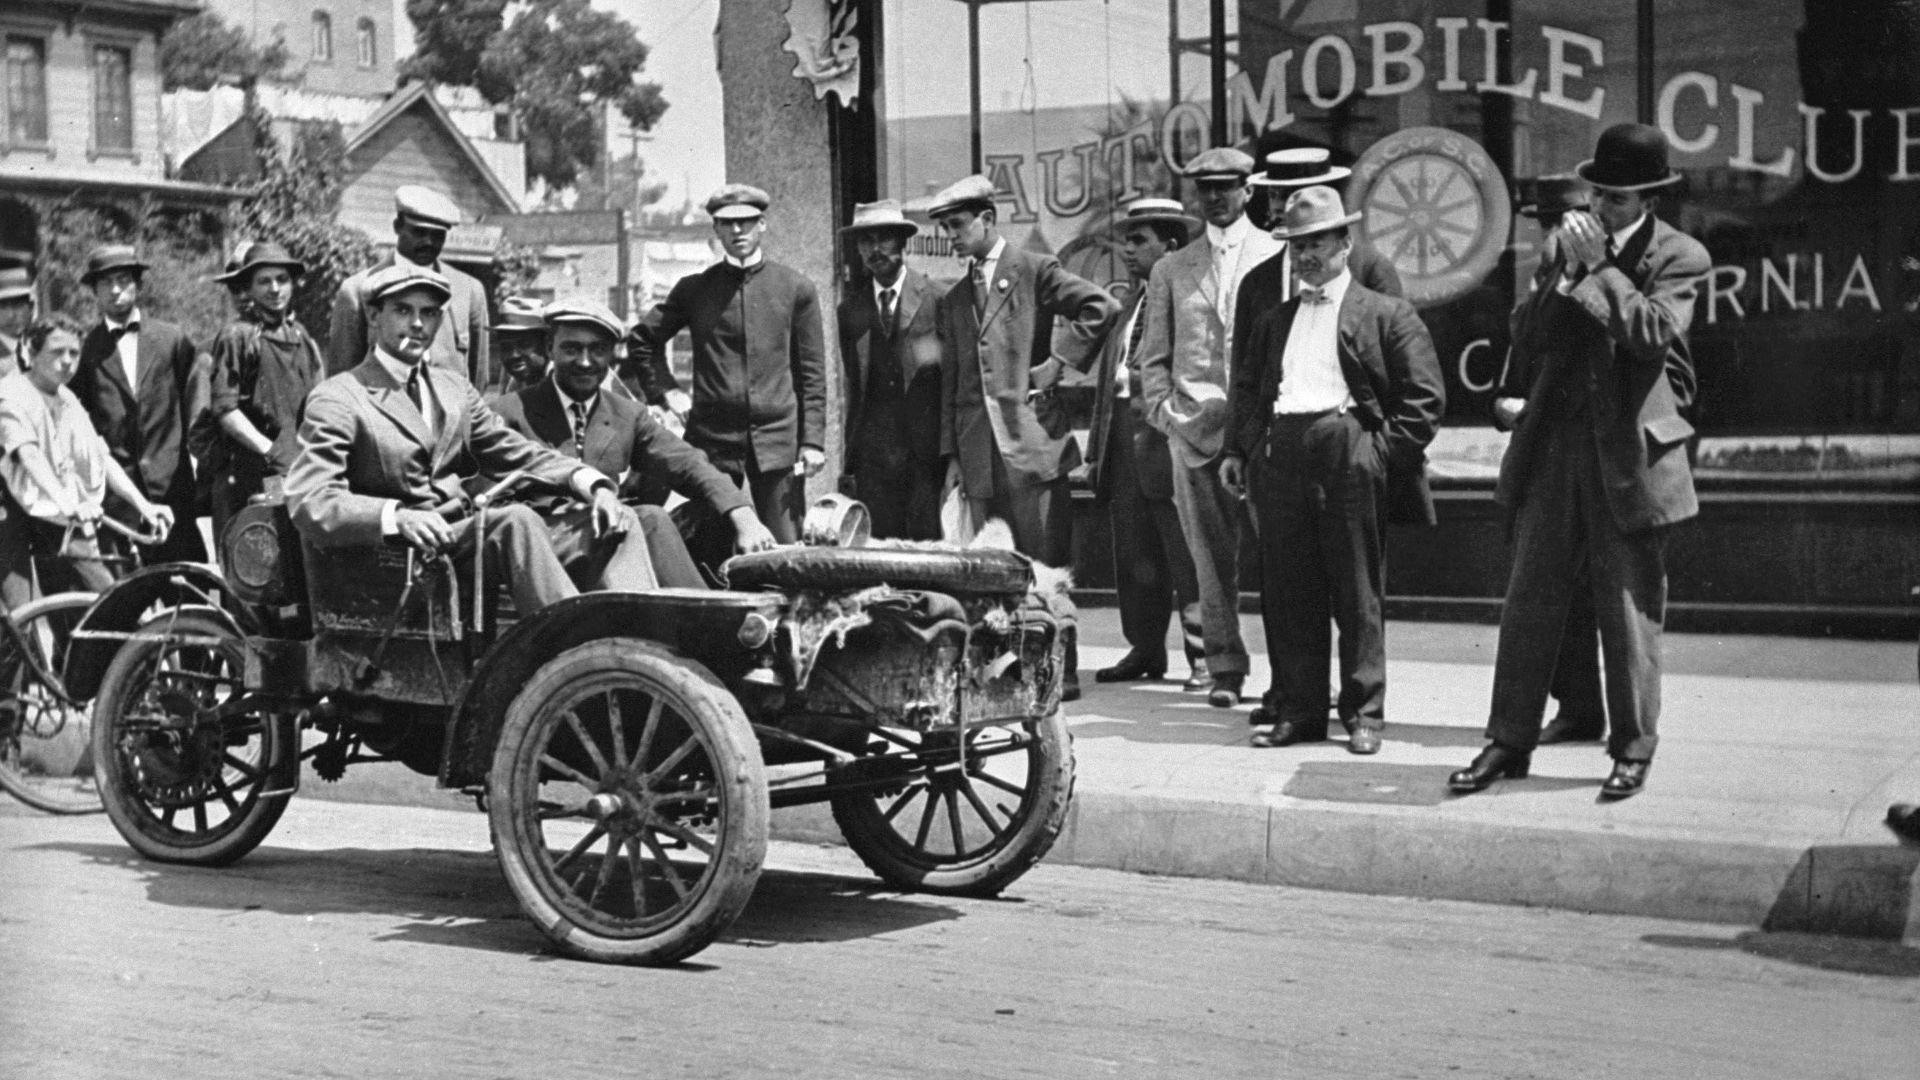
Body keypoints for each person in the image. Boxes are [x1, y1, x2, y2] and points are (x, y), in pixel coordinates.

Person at [1449, 124, 1711, 799]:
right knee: (1529, 600)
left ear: (1649, 199)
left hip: (1627, 455)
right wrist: (1562, 273)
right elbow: (1529, 339)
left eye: (1617, 199)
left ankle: (1632, 748)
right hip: (1557, 452)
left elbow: (1652, 333)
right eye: (1597, 194)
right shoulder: (1566, 249)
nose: (1601, 209)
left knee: (1627, 610)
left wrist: (1599, 270)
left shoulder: (1681, 256)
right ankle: (1508, 742)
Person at [286, 265, 645, 618]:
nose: (416, 324)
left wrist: (594, 485)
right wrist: (396, 517)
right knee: (515, 521)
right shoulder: (339, 397)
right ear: (374, 316)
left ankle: (646, 650)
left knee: (618, 520)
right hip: (400, 557)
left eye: (428, 313)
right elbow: (311, 499)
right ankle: (568, 652)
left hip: (464, 542)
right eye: (402, 310)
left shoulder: (453, 388)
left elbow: (515, 453)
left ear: (439, 322)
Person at [1224, 187, 1445, 754]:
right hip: (1284, 457)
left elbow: (1425, 398)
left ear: (1346, 244)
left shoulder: (1385, 312)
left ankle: (1364, 713)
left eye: (1319, 243)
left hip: (1350, 455)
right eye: (1298, 247)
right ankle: (1300, 713)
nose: (1307, 257)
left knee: (1356, 592)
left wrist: (1378, 454)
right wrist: (1241, 450)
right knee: (1288, 591)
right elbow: (1247, 389)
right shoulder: (1276, 319)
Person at [930, 173, 1120, 702]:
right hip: (977, 452)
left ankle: (1063, 670)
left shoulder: (1033, 270)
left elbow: (1100, 308)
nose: (952, 236)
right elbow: (953, 382)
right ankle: (1013, 668)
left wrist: (1058, 365)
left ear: (987, 219)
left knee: (1045, 566)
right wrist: (952, 456)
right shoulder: (954, 298)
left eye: (959, 224)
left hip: (1032, 446)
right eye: (945, 227)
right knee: (994, 570)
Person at [486, 297, 777, 590]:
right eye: (572, 349)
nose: (585, 362)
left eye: (597, 350)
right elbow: (492, 503)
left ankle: (706, 619)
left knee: (653, 516)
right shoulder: (509, 412)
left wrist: (742, 516)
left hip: (612, 537)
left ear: (612, 355)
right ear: (550, 348)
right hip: (546, 554)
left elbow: (688, 463)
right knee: (633, 523)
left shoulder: (627, 414)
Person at [1138, 148, 1282, 708]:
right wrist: (1167, 417)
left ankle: (1291, 675)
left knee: (1282, 559)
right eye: (1206, 188)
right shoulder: (1172, 268)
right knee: (1209, 563)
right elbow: (1153, 357)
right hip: (1195, 433)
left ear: (1250, 191)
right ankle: (1224, 667)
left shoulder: (1277, 253)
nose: (1216, 197)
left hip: (1264, 435)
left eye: (1227, 186)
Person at [627, 184, 828, 547]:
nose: (738, 231)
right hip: (713, 443)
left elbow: (812, 373)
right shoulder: (694, 289)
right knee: (710, 543)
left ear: (763, 224)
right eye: (727, 223)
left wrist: (812, 441)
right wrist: (666, 391)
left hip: (777, 440)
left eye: (747, 222)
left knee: (785, 547)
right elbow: (642, 340)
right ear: (716, 229)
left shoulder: (795, 288)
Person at [1494, 174, 1608, 746]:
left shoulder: (1595, 283)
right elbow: (1519, 369)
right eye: (1545, 225)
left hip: (1583, 457)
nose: (1551, 237)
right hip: (1538, 453)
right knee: (1546, 588)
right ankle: (1577, 702)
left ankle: (1585, 706)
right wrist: (1509, 405)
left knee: (1577, 591)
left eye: (1561, 224)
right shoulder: (1543, 285)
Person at [1089, 198, 1207, 689]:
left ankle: (1204, 655)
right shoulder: (1128, 304)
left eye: (1140, 241)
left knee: (1185, 552)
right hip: (1122, 438)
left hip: (1165, 438)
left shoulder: (1189, 299)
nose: (1128, 250)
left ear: (1171, 246)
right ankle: (1145, 647)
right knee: (1135, 553)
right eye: (1127, 240)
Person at [0, 316, 174, 605]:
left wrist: (145, 505)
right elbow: (28, 454)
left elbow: (100, 458)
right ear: (32, 350)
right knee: (22, 618)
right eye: (57, 352)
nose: (67, 361)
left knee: (104, 599)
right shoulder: (11, 393)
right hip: (11, 513)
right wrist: (68, 503)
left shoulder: (67, 398)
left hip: (55, 512)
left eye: (74, 353)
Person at [69, 244, 207, 564]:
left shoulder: (173, 339)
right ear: (94, 291)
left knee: (189, 592)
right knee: (128, 600)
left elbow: (196, 404)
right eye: (106, 283)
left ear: (139, 285)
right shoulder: (83, 352)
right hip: (119, 502)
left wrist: (197, 462)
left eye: (123, 280)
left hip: (173, 491)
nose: (116, 290)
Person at [836, 200, 943, 541]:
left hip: (927, 457)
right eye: (866, 241)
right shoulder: (850, 309)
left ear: (902, 243)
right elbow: (855, 384)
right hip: (874, 458)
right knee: (880, 552)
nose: (875, 249)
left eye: (884, 239)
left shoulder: (936, 299)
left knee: (928, 551)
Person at [202, 241, 325, 538]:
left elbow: (321, 401)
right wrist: (270, 450)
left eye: (282, 280)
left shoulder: (301, 336)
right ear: (250, 288)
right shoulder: (238, 336)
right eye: (264, 281)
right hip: (260, 474)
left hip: (300, 471)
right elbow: (226, 411)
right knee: (263, 553)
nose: (274, 289)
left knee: (298, 555)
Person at [329, 186, 492, 387]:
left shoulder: (468, 291)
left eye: (438, 235)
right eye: (419, 232)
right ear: (397, 226)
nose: (428, 242)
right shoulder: (357, 291)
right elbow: (341, 380)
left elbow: (478, 379)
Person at [493, 296, 551, 393]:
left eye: (524, 345)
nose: (513, 355)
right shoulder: (514, 386)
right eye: (506, 348)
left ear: (547, 346)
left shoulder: (563, 386)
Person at [0, 266, 33, 377]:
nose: (11, 315)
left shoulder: (35, 348)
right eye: (3, 307)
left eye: (18, 305)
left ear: (31, 307)